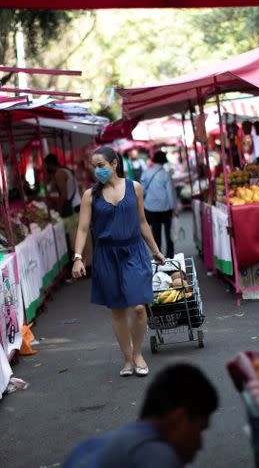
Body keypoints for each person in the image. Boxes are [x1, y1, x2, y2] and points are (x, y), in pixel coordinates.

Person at [72, 146, 165, 377]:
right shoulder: (89, 196)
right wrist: (77, 258)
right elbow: (83, 229)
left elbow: (143, 222)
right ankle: (126, 358)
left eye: (101, 165)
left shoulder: (134, 188)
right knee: (117, 310)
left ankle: (137, 354)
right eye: (94, 167)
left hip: (134, 251)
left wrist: (155, 250)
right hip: (106, 255)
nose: (97, 171)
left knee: (139, 307)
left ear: (115, 164)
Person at [64, 363, 219, 467]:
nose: (200, 444)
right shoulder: (157, 457)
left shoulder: (90, 447)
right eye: (199, 429)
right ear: (180, 419)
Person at [141, 151, 179, 259]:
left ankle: (158, 256)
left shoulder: (146, 172)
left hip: (150, 207)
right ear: (164, 161)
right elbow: (170, 193)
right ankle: (170, 256)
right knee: (169, 233)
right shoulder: (166, 174)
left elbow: (142, 190)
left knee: (156, 232)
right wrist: (174, 207)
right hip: (165, 207)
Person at [44, 153, 82, 218]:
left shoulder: (59, 174)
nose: (46, 168)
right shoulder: (66, 170)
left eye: (46, 165)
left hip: (72, 207)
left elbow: (64, 195)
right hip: (77, 203)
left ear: (50, 164)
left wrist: (59, 208)